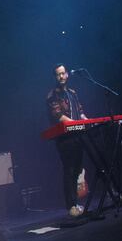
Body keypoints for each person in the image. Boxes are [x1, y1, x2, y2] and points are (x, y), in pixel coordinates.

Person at [46, 63, 88, 217]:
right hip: (65, 139)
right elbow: (58, 116)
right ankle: (70, 206)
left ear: (67, 75)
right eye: (58, 74)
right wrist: (76, 124)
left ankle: (77, 203)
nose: (61, 76)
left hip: (78, 135)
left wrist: (87, 121)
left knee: (78, 169)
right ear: (55, 77)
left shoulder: (72, 93)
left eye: (63, 73)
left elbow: (81, 111)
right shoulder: (52, 95)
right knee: (69, 170)